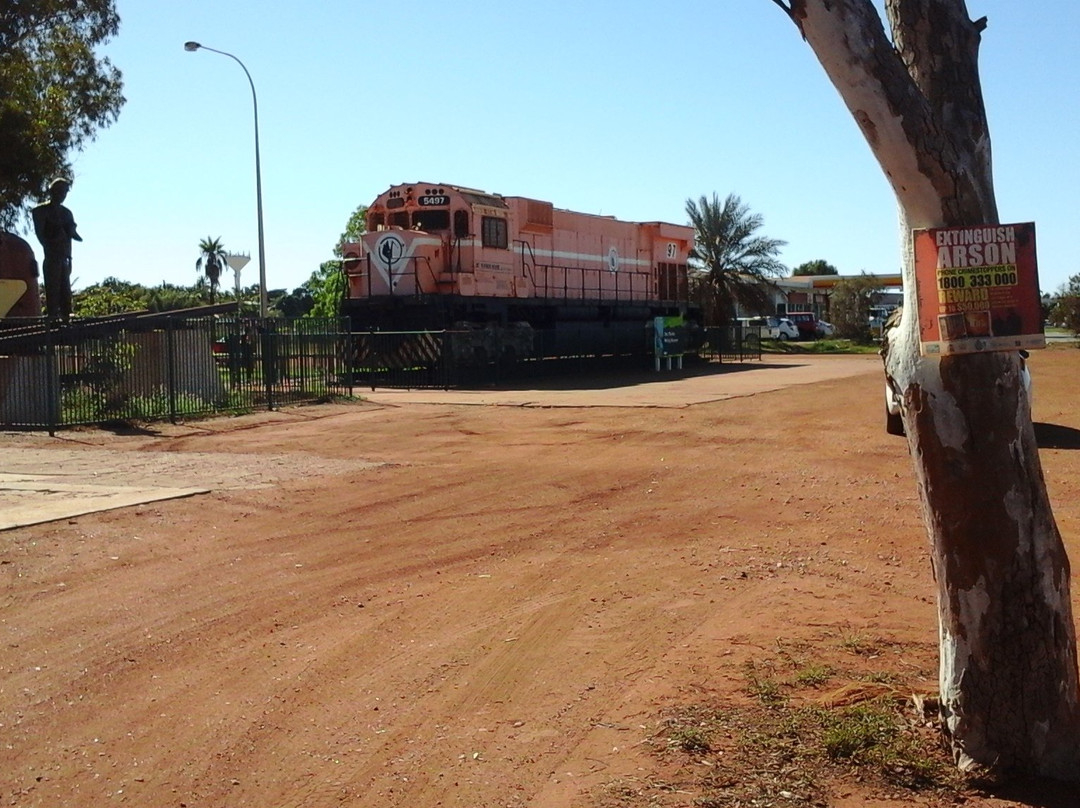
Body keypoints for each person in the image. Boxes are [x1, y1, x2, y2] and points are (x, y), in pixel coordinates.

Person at [32, 177, 82, 320]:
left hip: (64, 256)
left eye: (65, 193)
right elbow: (41, 235)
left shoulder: (67, 213)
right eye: (60, 192)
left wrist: (69, 257)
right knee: (53, 289)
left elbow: (70, 238)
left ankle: (66, 316)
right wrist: (51, 246)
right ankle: (53, 317)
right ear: (52, 191)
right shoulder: (40, 211)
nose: (62, 195)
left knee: (65, 289)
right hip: (51, 256)